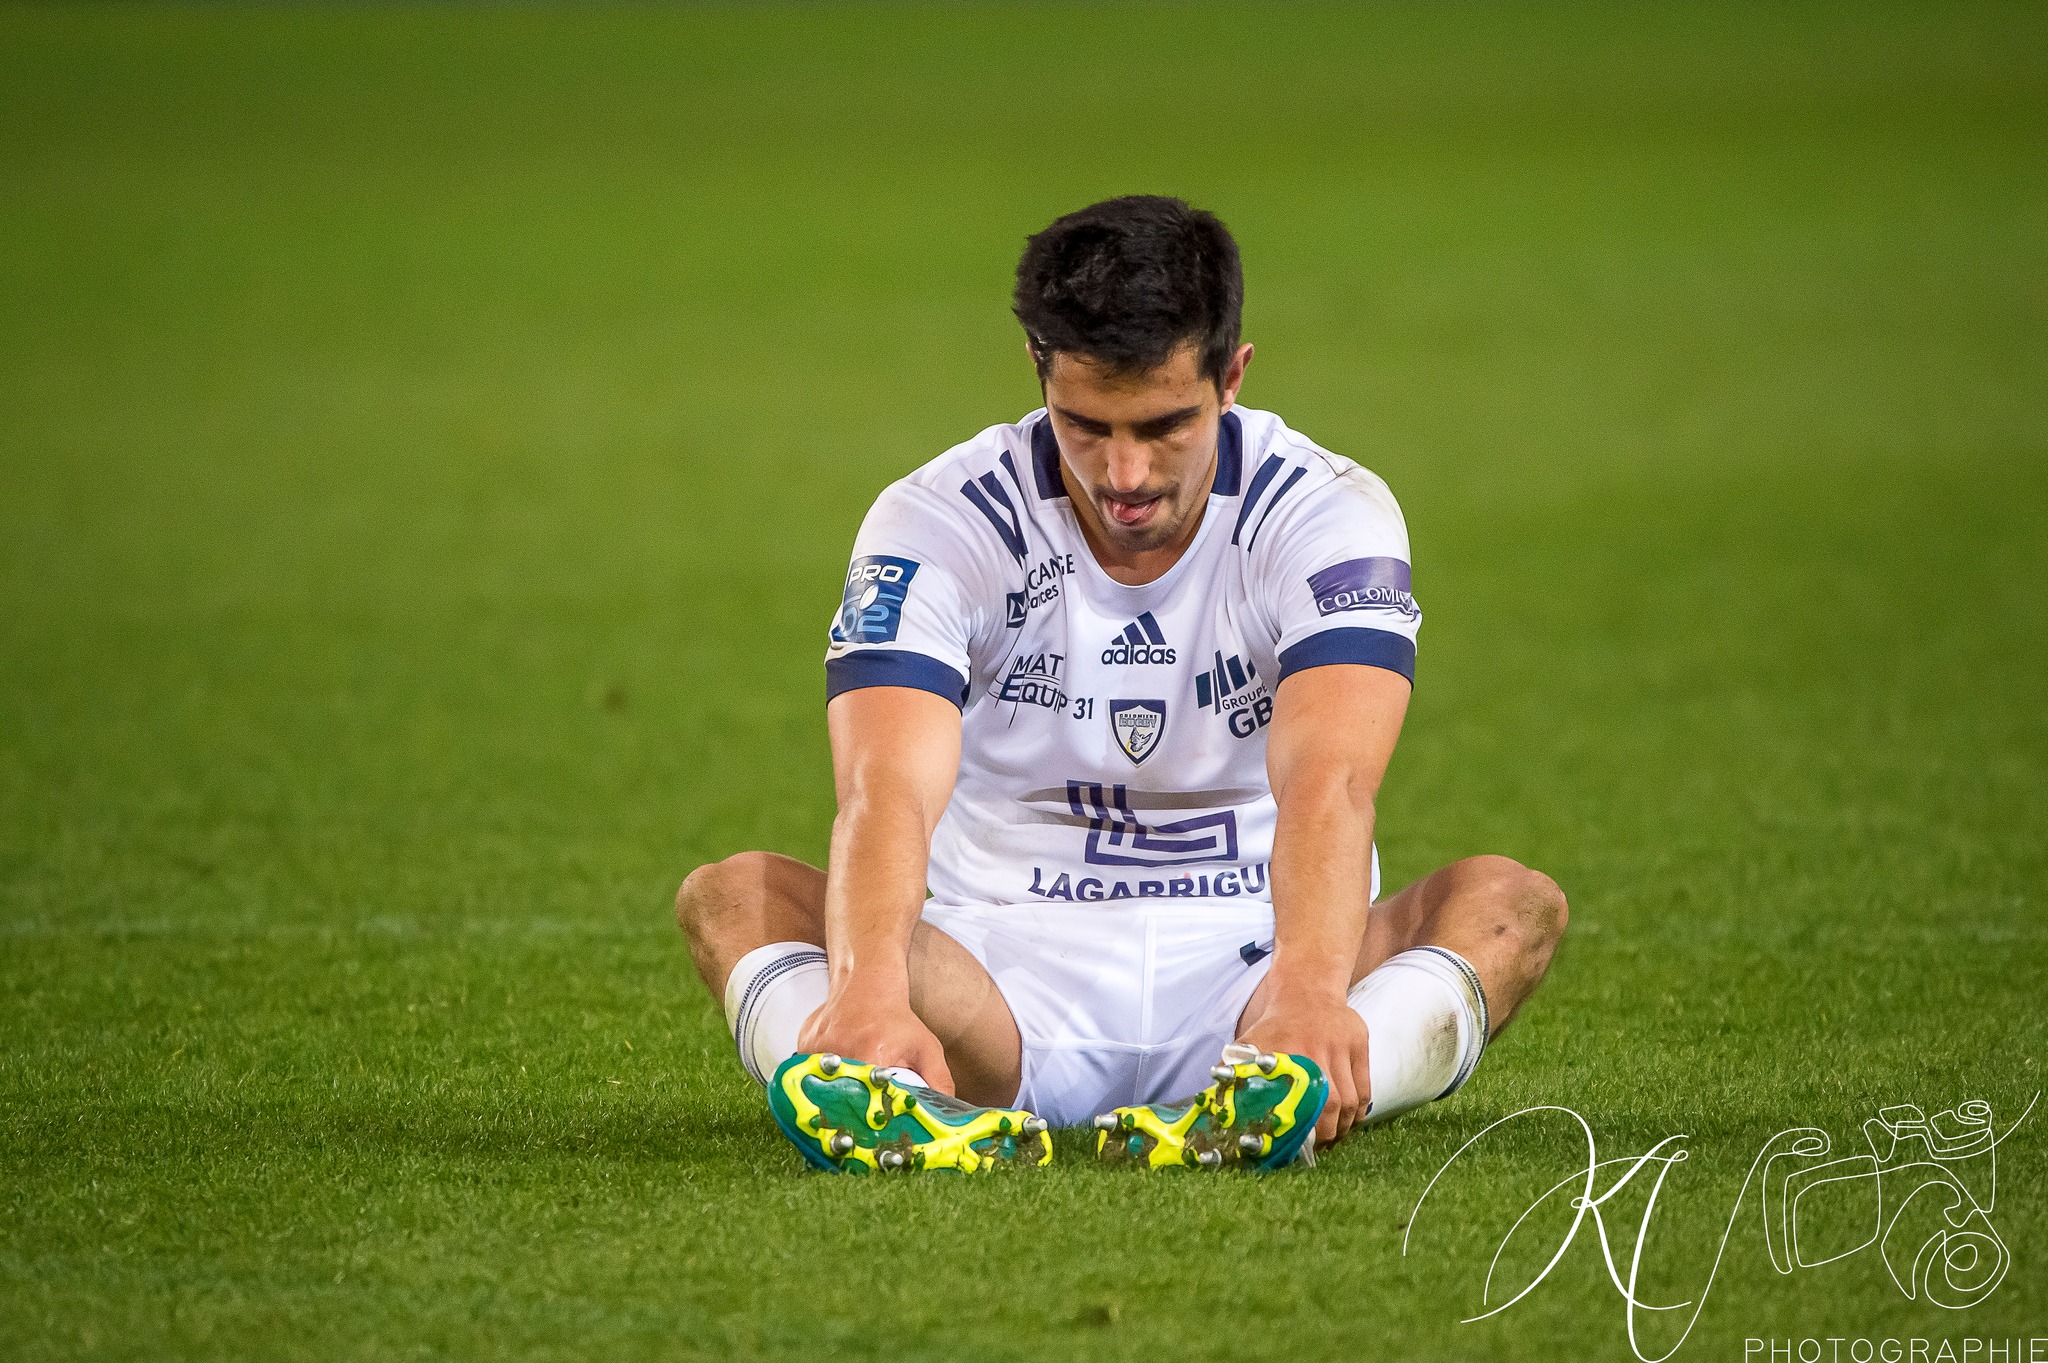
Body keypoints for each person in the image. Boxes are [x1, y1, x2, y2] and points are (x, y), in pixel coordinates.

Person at [677, 195, 1567, 1174]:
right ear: (1036, 371)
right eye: (1084, 426)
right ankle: (880, 1078)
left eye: (1164, 424)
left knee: (1508, 904)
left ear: (1232, 375)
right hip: (996, 988)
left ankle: (1283, 1085)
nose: (1124, 472)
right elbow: (882, 784)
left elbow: (1330, 779)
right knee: (731, 897)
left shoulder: (1325, 515)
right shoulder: (935, 522)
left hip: (1251, 971)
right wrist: (867, 984)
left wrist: (1308, 987)